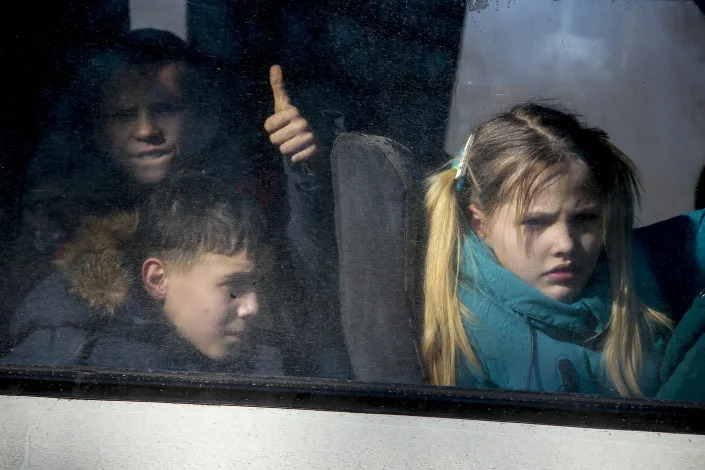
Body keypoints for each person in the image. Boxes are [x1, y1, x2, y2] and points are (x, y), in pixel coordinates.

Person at [1, 29, 349, 378]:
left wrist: (306, 169)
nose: (145, 129)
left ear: (206, 118)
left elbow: (312, 277)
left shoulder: (256, 210)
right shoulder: (54, 228)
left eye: (165, 108)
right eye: (124, 114)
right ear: (100, 133)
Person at [423, 102, 705, 400]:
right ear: (480, 224)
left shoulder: (632, 265)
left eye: (585, 218)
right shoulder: (470, 339)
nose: (566, 245)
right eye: (535, 222)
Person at [1, 172, 289, 374]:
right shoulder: (64, 356)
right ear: (157, 279)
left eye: (256, 286)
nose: (253, 307)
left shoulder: (263, 361)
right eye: (233, 288)